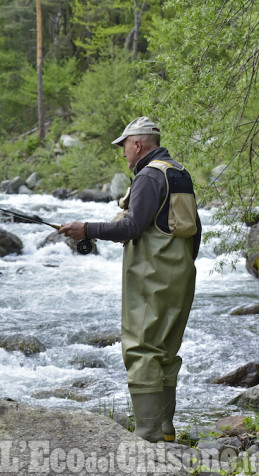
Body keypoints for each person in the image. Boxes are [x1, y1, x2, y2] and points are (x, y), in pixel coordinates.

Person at [59, 116, 201, 443]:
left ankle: (147, 435)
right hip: (180, 274)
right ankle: (165, 431)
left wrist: (87, 229)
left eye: (124, 146)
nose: (123, 153)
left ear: (137, 144)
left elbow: (132, 227)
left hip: (151, 276)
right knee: (166, 349)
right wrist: (180, 266)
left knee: (142, 348)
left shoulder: (149, 177)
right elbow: (197, 229)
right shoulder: (178, 172)